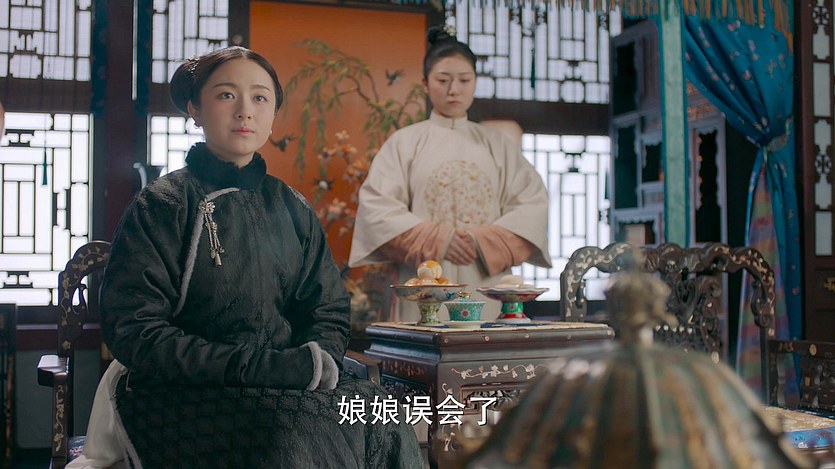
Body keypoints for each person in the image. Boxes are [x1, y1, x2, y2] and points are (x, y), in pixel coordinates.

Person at [92, 46, 422, 468]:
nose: (245, 110)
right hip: (182, 389)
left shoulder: (292, 206)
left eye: (260, 97)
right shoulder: (162, 204)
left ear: (273, 114)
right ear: (195, 109)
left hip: (288, 384)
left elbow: (327, 308)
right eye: (226, 95)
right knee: (291, 434)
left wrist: (316, 363)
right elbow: (135, 329)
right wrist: (259, 369)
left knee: (382, 414)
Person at [349, 25, 552, 322]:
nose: (453, 89)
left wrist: (482, 242)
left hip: (487, 282)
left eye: (464, 80)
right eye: (443, 80)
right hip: (424, 284)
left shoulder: (498, 146)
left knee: (484, 348)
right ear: (425, 84)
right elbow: (377, 208)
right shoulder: (404, 143)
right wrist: (439, 240)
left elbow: (532, 206)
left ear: (475, 82)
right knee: (424, 345)